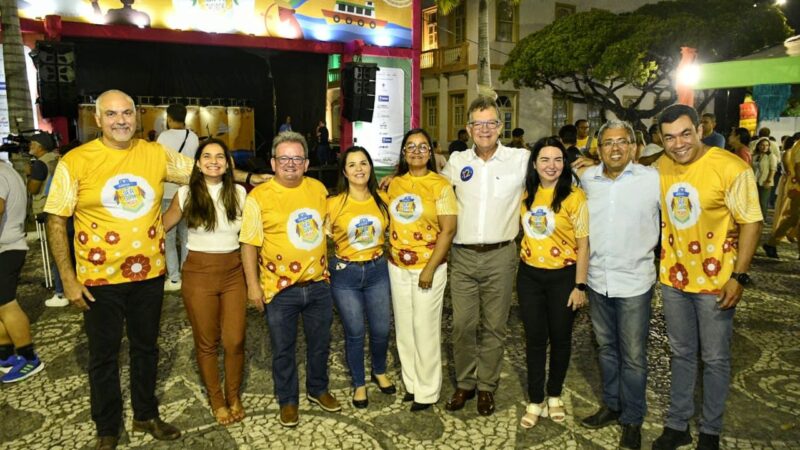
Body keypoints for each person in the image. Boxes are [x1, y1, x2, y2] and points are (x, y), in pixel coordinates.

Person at [44, 90, 187, 450]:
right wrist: (68, 279)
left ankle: (145, 414)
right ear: (98, 119)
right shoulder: (76, 161)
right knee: (103, 356)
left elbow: (205, 172)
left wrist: (252, 178)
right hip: (97, 280)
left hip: (149, 275)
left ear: (137, 117)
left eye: (127, 113)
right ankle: (107, 428)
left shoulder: (155, 153)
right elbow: (55, 219)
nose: (120, 120)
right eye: (112, 114)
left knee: (146, 348)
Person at [652, 104, 762, 450]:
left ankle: (710, 431)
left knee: (715, 358)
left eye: (686, 133)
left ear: (700, 130)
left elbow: (752, 222)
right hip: (673, 280)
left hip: (716, 283)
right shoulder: (660, 166)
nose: (678, 143)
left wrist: (739, 277)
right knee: (681, 354)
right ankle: (677, 424)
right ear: (661, 140)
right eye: (669, 137)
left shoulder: (731, 168)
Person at [240, 131, 340, 428]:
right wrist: (252, 285)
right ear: (273, 162)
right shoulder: (258, 197)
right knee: (283, 348)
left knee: (320, 343)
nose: (291, 164)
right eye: (284, 158)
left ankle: (318, 389)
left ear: (307, 163)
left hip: (319, 285)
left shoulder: (319, 189)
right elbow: (249, 244)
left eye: (297, 158)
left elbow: (332, 224)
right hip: (279, 289)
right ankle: (288, 400)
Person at [574, 120, 660, 450]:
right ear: (598, 148)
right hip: (597, 279)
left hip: (635, 281)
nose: (615, 148)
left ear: (634, 147)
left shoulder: (651, 180)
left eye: (622, 142)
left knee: (635, 355)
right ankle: (612, 405)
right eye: (608, 143)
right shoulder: (586, 179)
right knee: (606, 349)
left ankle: (633, 419)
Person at [441, 97, 529, 416]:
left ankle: (487, 386)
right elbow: (431, 190)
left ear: (500, 126)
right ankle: (465, 383)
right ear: (468, 128)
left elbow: (553, 170)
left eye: (491, 123)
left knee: (495, 326)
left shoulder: (520, 159)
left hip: (501, 256)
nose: (485, 129)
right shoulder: (457, 161)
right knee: (462, 325)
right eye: (478, 124)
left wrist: (587, 165)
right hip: (462, 256)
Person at [162, 139, 247, 426]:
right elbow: (161, 226)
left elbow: (252, 235)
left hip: (234, 272)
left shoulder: (239, 192)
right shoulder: (186, 194)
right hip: (198, 274)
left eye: (220, 156)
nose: (214, 161)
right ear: (198, 163)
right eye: (207, 156)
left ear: (227, 163)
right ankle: (216, 398)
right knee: (207, 341)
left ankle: (233, 394)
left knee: (234, 340)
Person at [516, 137, 588, 429]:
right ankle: (535, 399)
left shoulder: (574, 197)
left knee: (560, 339)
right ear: (535, 164)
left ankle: (554, 393)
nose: (551, 165)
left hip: (564, 277)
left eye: (558, 159)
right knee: (534, 340)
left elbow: (584, 244)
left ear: (565, 163)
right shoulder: (525, 195)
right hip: (530, 276)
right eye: (544, 159)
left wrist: (580, 286)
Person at [386, 128, 457, 411]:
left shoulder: (440, 185)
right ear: (403, 152)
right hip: (397, 267)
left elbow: (449, 230)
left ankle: (427, 392)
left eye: (423, 147)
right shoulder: (393, 184)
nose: (416, 151)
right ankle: (412, 383)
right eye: (410, 147)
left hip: (429, 267)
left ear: (431, 151)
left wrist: (428, 269)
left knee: (424, 328)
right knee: (404, 329)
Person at [326, 146, 395, 409]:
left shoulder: (383, 199)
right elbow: (315, 237)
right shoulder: (332, 203)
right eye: (352, 164)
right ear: (344, 171)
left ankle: (378, 370)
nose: (359, 169)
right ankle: (359, 383)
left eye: (363, 163)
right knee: (354, 331)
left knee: (381, 329)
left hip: (378, 270)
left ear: (370, 167)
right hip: (346, 275)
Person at [0, 162, 45, 383]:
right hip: (9, 245)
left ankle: (29, 357)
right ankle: (6, 355)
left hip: (6, 248)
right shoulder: (8, 170)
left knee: (6, 303)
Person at [157, 103, 200, 292]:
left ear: (169, 117)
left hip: (168, 192)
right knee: (187, 236)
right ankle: (187, 274)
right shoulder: (193, 137)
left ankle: (174, 278)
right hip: (189, 192)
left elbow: (158, 163)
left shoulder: (164, 137)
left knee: (168, 236)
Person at [26, 133, 68, 307]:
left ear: (40, 146)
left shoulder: (39, 165)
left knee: (55, 250)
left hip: (46, 209)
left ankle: (59, 290)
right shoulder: (55, 159)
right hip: (60, 206)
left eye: (32, 144)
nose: (30, 147)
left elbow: (34, 189)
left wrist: (28, 175)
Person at [763, 137, 800, 259]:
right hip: (798, 188)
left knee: (794, 218)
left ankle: (772, 243)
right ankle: (771, 243)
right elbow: (798, 169)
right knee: (793, 218)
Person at [752, 138, 778, 218]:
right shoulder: (755, 156)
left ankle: (762, 219)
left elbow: (773, 169)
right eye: (762, 145)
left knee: (763, 202)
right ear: (758, 146)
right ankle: (755, 219)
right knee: (754, 201)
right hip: (754, 181)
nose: (765, 147)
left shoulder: (771, 156)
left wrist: (768, 180)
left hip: (764, 181)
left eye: (767, 145)